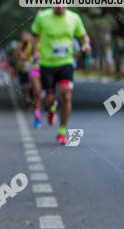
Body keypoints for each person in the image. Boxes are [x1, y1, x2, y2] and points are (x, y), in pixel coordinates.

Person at [30, 7, 91, 144]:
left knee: (66, 94)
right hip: (47, 63)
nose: (60, 6)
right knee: (49, 98)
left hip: (66, 63)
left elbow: (83, 35)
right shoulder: (42, 17)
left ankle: (62, 131)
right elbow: (34, 35)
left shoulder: (74, 18)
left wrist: (86, 44)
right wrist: (35, 51)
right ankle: (51, 108)